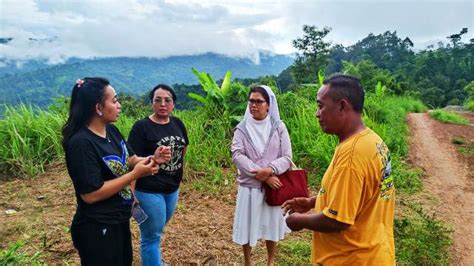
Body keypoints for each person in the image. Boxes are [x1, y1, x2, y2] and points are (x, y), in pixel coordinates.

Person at [282, 74, 395, 265]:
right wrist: (313, 202)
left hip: (350, 259)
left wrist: (298, 220)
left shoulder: (351, 156)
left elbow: (338, 221)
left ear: (342, 106)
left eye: (321, 106)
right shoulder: (373, 141)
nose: (317, 114)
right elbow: (359, 197)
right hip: (376, 252)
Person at [62, 77, 171, 265]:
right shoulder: (81, 143)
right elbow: (91, 194)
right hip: (97, 227)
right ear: (98, 108)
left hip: (118, 219)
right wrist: (134, 175)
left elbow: (129, 159)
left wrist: (152, 158)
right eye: (114, 101)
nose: (119, 105)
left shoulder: (111, 131)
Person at [127, 84, 189, 266]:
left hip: (172, 189)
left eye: (167, 100)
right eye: (158, 100)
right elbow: (132, 162)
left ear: (173, 104)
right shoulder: (141, 128)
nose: (163, 104)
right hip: (148, 190)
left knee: (157, 230)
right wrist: (131, 193)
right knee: (151, 237)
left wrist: (177, 173)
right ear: (151, 103)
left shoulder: (178, 123)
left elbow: (183, 148)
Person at [231, 85, 292, 266]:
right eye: (251, 101)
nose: (254, 105)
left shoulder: (278, 127)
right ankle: (248, 261)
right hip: (250, 187)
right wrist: (263, 175)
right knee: (247, 226)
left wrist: (271, 169)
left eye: (259, 101)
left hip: (273, 188)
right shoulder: (241, 129)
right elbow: (237, 155)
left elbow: (287, 157)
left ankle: (270, 261)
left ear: (268, 105)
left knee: (271, 225)